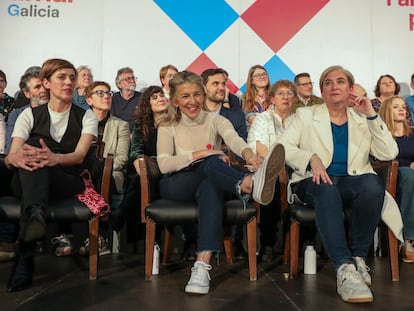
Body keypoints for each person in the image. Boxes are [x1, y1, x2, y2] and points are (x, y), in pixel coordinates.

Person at [156, 71, 285, 295]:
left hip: (210, 182)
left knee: (211, 185)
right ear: (175, 99)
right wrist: (199, 154)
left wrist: (250, 156)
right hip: (176, 184)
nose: (192, 101)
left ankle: (202, 265)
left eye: (197, 94)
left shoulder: (215, 119)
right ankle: (248, 185)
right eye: (185, 96)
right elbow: (164, 165)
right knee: (211, 160)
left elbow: (234, 139)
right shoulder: (167, 124)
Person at [278, 65, 398, 303]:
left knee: (373, 186)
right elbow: (281, 148)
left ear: (350, 89)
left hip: (351, 179)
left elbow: (389, 151)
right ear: (321, 90)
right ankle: (344, 268)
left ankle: (359, 259)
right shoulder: (305, 116)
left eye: (341, 82)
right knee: (326, 189)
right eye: (328, 83)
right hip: (312, 181)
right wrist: (310, 158)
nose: (335, 87)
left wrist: (371, 115)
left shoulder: (363, 118)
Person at [4, 58, 98, 292]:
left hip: (65, 180)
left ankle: (25, 254)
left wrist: (54, 158)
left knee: (37, 151)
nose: (68, 82)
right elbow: (13, 156)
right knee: (34, 150)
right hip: (28, 177)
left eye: (71, 78)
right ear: (46, 82)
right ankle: (35, 215)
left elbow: (78, 156)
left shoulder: (87, 116)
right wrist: (17, 158)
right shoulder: (28, 115)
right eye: (61, 77)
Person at [0, 68, 50, 262]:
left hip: (46, 169)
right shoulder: (17, 115)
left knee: (33, 166)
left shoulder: (60, 113)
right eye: (38, 87)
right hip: (18, 164)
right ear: (27, 93)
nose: (44, 90)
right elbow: (11, 148)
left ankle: (13, 240)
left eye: (45, 85)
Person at [76, 81, 130, 256]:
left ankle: (98, 236)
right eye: (100, 93)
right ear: (89, 100)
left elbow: (121, 160)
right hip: (81, 172)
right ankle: (83, 237)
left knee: (101, 174)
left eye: (108, 93)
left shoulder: (120, 125)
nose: (106, 96)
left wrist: (101, 165)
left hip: (110, 173)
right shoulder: (78, 122)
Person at [110, 86, 169, 243]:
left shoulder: (175, 122)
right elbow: (135, 151)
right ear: (147, 105)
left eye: (162, 95)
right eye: (155, 97)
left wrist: (151, 160)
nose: (161, 99)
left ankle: (120, 215)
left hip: (169, 168)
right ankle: (151, 241)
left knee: (142, 179)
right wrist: (139, 161)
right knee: (141, 177)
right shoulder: (140, 124)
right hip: (146, 170)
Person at [248, 80, 296, 261]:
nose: (285, 97)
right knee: (273, 183)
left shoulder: (298, 120)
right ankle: (268, 243)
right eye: (281, 93)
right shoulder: (264, 118)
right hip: (269, 166)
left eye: (290, 93)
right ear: (272, 98)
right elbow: (259, 147)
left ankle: (306, 242)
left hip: (295, 167)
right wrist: (276, 164)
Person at [379, 95, 414, 263]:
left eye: (403, 106)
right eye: (395, 107)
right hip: (390, 175)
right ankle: (408, 239)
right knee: (408, 174)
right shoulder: (382, 135)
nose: (401, 109)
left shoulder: (413, 133)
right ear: (387, 110)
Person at [0, 70, 15, 154]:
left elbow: (11, 118)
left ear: (5, 84)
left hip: (7, 132)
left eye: (1, 81)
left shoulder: (11, 100)